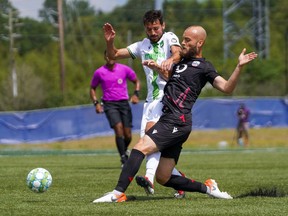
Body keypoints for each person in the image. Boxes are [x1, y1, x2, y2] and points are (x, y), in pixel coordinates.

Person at [93, 25, 257, 203]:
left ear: (200, 43)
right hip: (173, 120)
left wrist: (239, 67)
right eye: (183, 38)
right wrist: (157, 68)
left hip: (176, 120)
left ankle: (117, 194)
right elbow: (171, 80)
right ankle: (209, 188)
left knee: (140, 147)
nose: (183, 43)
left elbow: (227, 88)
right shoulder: (180, 63)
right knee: (164, 177)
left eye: (188, 40)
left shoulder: (204, 67)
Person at [103, 10, 185, 198]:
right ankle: (180, 183)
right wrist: (109, 41)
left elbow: (178, 54)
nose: (153, 32)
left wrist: (169, 61)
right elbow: (114, 54)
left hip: (167, 98)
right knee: (146, 145)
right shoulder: (142, 45)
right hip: (150, 102)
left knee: (148, 140)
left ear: (162, 26)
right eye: (149, 29)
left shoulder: (169, 37)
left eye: (156, 28)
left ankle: (149, 179)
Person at [90, 51, 140, 167]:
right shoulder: (99, 72)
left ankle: (124, 149)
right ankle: (123, 158)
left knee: (128, 135)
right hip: (109, 104)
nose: (110, 58)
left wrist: (136, 94)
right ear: (105, 57)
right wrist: (96, 103)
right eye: (107, 55)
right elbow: (92, 88)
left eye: (112, 55)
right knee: (118, 129)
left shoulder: (124, 69)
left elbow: (136, 81)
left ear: (116, 56)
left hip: (124, 103)